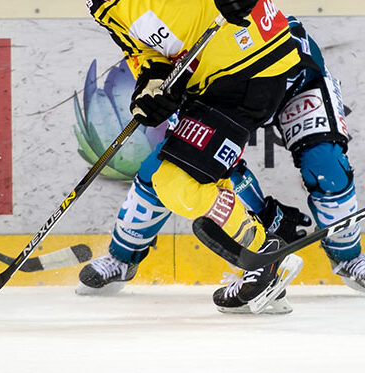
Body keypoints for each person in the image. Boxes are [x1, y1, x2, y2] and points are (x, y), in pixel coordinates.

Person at [51, 0, 306, 314]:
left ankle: (264, 262)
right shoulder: (102, 4)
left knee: (181, 181)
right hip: (213, 89)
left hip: (255, 66)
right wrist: (150, 88)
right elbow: (146, 53)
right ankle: (265, 258)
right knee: (173, 184)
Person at [76, 17, 364, 310]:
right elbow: (220, 167)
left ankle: (350, 257)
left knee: (326, 164)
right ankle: (122, 258)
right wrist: (267, 218)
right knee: (167, 167)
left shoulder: (223, 32)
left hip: (297, 83)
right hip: (227, 92)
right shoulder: (178, 64)